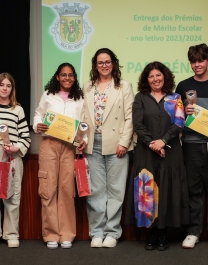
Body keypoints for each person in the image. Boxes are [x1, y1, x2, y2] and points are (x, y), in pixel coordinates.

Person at [125, 61, 188, 251]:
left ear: (164, 76)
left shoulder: (175, 97)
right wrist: (153, 144)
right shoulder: (140, 98)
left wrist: (164, 141)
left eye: (158, 75)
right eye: (151, 76)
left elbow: (179, 123)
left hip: (171, 153)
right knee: (148, 191)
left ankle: (163, 233)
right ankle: (151, 233)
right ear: (146, 80)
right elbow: (138, 124)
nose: (155, 79)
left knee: (167, 190)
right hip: (146, 152)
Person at [175, 43, 208, 250]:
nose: (197, 65)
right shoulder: (182, 86)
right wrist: (184, 113)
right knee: (192, 189)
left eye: (200, 60)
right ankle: (193, 231)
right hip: (190, 144)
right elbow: (176, 116)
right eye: (193, 61)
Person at [81, 48, 134, 248]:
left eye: (108, 62)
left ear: (113, 64)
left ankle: (112, 232)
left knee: (116, 190)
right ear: (95, 65)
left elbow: (130, 117)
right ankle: (96, 232)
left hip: (116, 144)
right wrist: (81, 138)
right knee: (95, 191)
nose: (104, 65)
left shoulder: (124, 86)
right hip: (92, 144)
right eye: (100, 62)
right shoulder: (87, 87)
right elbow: (83, 118)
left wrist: (124, 141)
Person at [33, 63, 86, 249]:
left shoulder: (80, 98)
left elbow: (84, 123)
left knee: (66, 189)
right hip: (49, 144)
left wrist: (83, 138)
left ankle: (67, 234)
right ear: (57, 77)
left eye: (71, 75)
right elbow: (38, 115)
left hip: (70, 147)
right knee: (48, 188)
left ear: (74, 77)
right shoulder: (48, 94)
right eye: (63, 75)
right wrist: (37, 125)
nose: (67, 78)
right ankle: (51, 235)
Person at [0, 72, 31, 248]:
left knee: (12, 194)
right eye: (2, 85)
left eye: (8, 86)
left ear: (12, 89)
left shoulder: (18, 109)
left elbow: (26, 137)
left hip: (13, 154)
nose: (5, 88)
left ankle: (11, 234)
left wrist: (17, 147)